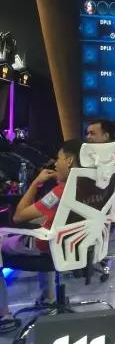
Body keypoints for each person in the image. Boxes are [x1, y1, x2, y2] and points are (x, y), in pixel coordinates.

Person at [0, 139, 83, 332]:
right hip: (77, 244)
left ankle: (3, 315)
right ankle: (47, 297)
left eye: (58, 159)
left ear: (69, 161)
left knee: (40, 235)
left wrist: (36, 183)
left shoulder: (60, 192)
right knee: (46, 230)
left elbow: (19, 216)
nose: (55, 164)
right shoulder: (92, 184)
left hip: (50, 246)